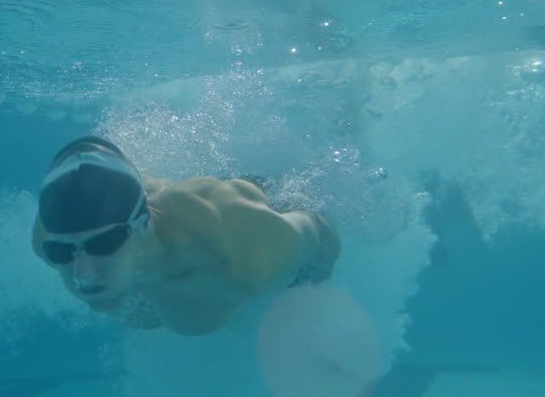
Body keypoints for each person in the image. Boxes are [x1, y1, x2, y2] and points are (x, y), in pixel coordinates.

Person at [33, 135, 341, 335]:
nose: (81, 274)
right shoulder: (51, 234)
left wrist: (307, 291)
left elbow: (319, 233)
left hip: (264, 206)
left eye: (103, 244)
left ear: (143, 223)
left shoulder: (234, 254)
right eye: (61, 252)